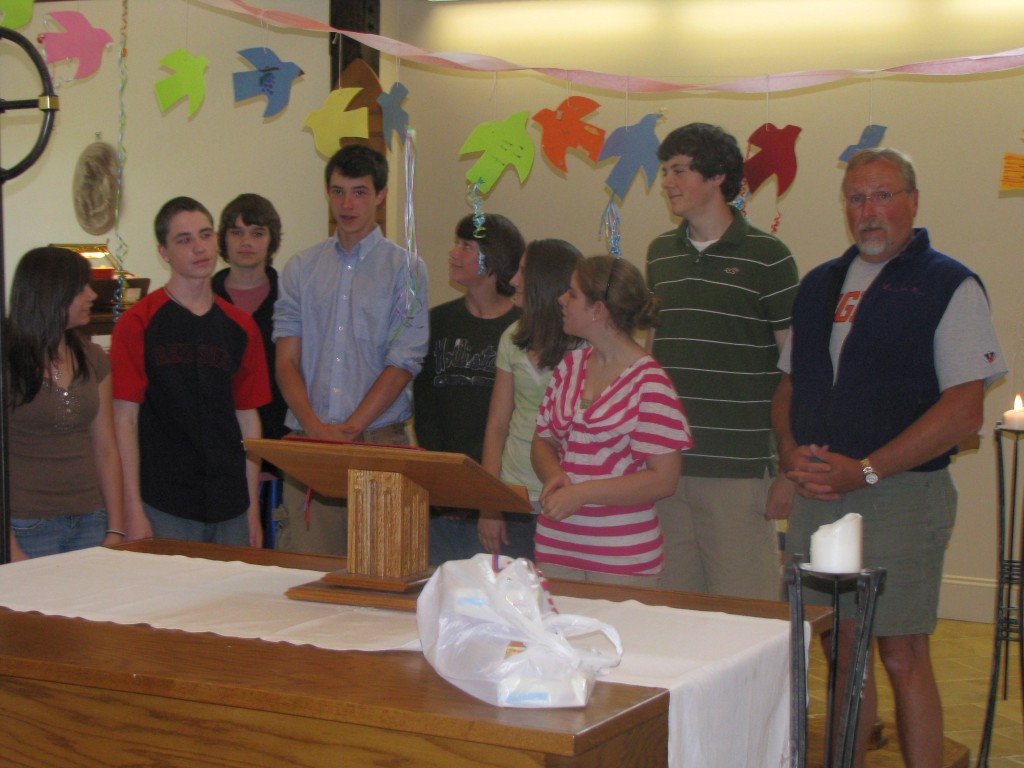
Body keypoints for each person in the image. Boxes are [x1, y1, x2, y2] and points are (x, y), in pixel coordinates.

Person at [773, 148, 1006, 767]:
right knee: (840, 646)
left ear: (912, 201)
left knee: (902, 652)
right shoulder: (820, 283)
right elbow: (790, 385)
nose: (867, 211)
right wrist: (792, 455)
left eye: (881, 195)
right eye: (855, 198)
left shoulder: (948, 285)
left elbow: (963, 412)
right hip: (819, 492)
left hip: (901, 497)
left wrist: (867, 470)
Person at [646, 122, 800, 600]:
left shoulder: (768, 257)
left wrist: (788, 467)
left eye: (680, 170)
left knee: (745, 614)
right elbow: (651, 356)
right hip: (667, 467)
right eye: (665, 171)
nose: (668, 181)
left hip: (738, 468)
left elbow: (796, 368)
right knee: (672, 611)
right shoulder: (659, 255)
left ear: (716, 176)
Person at [272, 144, 429, 555]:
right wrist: (315, 428)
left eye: (359, 192)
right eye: (338, 191)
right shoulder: (301, 268)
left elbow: (403, 363)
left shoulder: (406, 270)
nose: (347, 203)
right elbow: (286, 361)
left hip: (380, 442)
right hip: (311, 443)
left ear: (380, 195)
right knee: (306, 578)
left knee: (382, 580)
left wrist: (350, 430)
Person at [110, 196, 270, 547]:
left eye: (205, 235)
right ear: (164, 252)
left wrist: (252, 510)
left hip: (231, 504)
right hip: (164, 505)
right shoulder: (137, 323)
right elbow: (124, 422)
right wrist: (131, 508)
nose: (199, 248)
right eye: (184, 240)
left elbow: (249, 421)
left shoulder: (241, 327)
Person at [531, 255, 693, 586]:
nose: (562, 300)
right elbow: (542, 440)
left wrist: (583, 493)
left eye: (572, 294)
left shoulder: (650, 382)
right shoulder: (570, 366)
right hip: (557, 543)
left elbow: (664, 479)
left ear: (598, 310)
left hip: (621, 556)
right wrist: (556, 475)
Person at [413, 213, 524, 563]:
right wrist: (448, 485)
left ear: (494, 259)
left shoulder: (522, 329)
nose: (453, 253)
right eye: (455, 244)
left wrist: (487, 496)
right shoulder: (438, 322)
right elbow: (425, 409)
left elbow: (517, 421)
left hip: (502, 499)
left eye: (465, 246)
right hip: (445, 497)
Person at [4, 247, 125, 559]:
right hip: (26, 524)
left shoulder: (93, 357)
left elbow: (106, 448)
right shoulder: (7, 360)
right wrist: (9, 543)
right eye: (80, 287)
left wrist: (116, 527)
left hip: (90, 518)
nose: (91, 295)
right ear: (51, 293)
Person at [479, 238, 582, 560]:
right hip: (514, 494)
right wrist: (490, 504)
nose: (513, 281)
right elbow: (497, 425)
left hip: (566, 496)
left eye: (523, 272)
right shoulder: (511, 338)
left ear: (546, 281)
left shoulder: (586, 348)